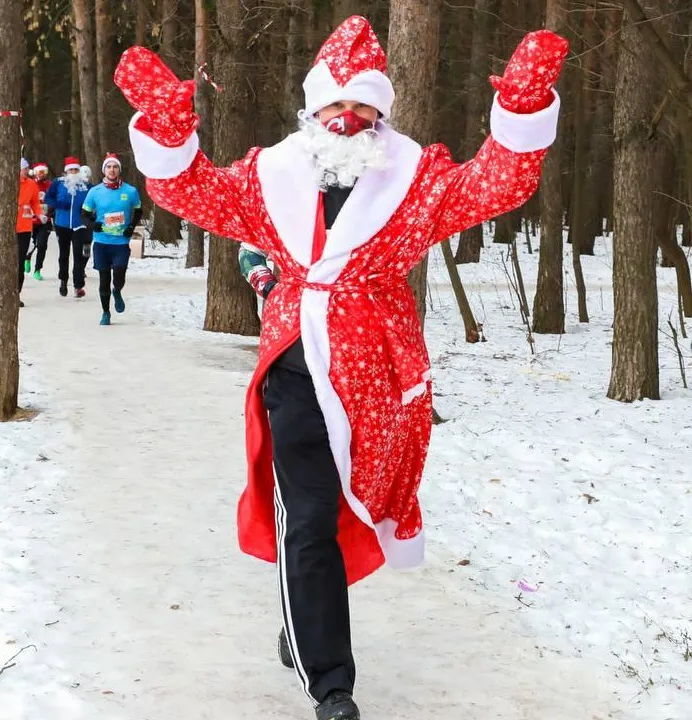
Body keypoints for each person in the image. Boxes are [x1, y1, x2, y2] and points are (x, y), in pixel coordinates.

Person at [115, 16, 566, 720]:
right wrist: (167, 134)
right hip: (295, 363)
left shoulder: (416, 179)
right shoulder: (269, 175)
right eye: (336, 104)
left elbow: (497, 184)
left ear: (381, 112)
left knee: (345, 512)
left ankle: (304, 620)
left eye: (363, 105)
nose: (348, 117)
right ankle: (332, 686)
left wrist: (524, 109)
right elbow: (191, 193)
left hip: (378, 377)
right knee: (309, 514)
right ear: (312, 108)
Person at [81, 153, 143, 326]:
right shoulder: (95, 192)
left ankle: (117, 290)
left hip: (121, 242)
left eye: (115, 167)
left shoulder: (130, 191)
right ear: (104, 170)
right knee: (104, 278)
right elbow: (84, 215)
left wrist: (131, 226)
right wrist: (93, 225)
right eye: (109, 167)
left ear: (119, 170)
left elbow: (138, 210)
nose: (112, 170)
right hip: (101, 242)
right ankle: (106, 312)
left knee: (119, 272)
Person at [44, 156, 93, 298]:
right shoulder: (58, 183)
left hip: (80, 225)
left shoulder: (86, 186)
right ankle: (63, 281)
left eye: (76, 169)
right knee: (63, 255)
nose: (73, 172)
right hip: (62, 224)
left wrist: (89, 213)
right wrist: (58, 205)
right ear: (66, 171)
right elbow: (48, 198)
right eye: (70, 170)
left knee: (79, 255)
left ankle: (78, 286)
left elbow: (95, 200)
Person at [15, 158, 44, 308]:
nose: (27, 171)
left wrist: (40, 214)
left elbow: (35, 203)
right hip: (8, 228)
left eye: (27, 168)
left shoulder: (32, 184)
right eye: (24, 169)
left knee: (19, 262)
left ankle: (16, 294)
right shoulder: (9, 184)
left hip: (25, 228)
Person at [26, 162, 54, 279]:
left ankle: (37, 270)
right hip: (31, 220)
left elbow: (54, 200)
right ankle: (27, 258)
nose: (42, 175)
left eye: (44, 172)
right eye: (39, 172)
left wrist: (50, 209)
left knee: (42, 245)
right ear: (35, 172)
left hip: (44, 220)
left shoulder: (50, 185)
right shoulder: (30, 184)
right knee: (30, 244)